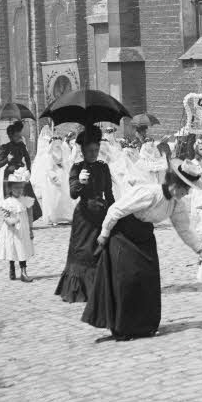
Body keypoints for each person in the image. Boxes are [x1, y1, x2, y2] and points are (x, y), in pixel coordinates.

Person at [81, 164, 202, 340]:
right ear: (175, 184)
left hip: (144, 237)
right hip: (123, 234)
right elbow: (116, 210)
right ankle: (123, 327)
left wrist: (200, 249)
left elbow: (184, 229)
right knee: (127, 279)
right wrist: (104, 233)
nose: (187, 193)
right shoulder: (149, 193)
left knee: (148, 279)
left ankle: (144, 326)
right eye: (185, 189)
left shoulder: (176, 204)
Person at [55, 126, 115, 303]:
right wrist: (80, 182)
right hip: (84, 217)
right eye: (90, 151)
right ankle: (81, 289)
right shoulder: (77, 168)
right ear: (83, 151)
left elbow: (110, 194)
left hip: (101, 214)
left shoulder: (103, 167)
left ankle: (100, 287)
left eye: (96, 150)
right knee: (83, 251)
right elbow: (73, 193)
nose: (94, 154)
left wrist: (114, 214)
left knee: (100, 249)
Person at [0, 167, 36, 282]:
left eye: (20, 187)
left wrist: (31, 230)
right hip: (11, 230)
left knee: (22, 248)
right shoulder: (7, 203)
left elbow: (30, 216)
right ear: (10, 189)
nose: (18, 190)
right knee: (12, 248)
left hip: (23, 230)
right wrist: (10, 221)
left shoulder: (26, 201)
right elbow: (5, 216)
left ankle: (24, 272)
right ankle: (12, 268)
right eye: (16, 188)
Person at [0, 122, 42, 223]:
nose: (19, 136)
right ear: (11, 136)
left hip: (21, 173)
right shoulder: (5, 147)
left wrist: (29, 170)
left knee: (27, 196)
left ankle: (28, 221)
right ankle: (13, 220)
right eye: (16, 135)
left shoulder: (21, 145)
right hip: (11, 175)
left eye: (19, 134)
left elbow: (28, 158)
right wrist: (7, 159)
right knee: (12, 200)